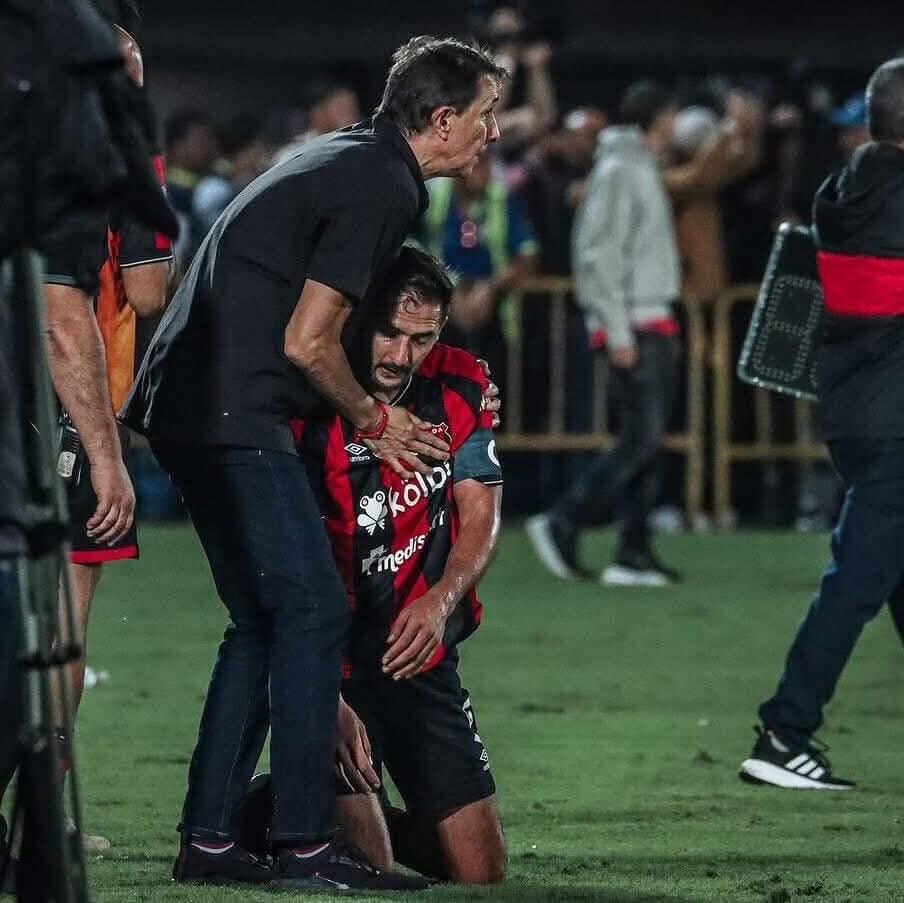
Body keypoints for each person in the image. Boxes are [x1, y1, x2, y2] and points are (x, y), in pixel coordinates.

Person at [121, 35, 506, 890]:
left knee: (265, 619)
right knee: (311, 608)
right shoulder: (384, 182)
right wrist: (376, 420)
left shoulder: (351, 154)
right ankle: (302, 842)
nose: (494, 133)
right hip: (235, 406)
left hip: (191, 400)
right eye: (487, 115)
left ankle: (211, 840)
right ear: (443, 119)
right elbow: (307, 341)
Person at [239, 246, 506, 885]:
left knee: (481, 873)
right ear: (359, 318)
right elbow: (272, 563)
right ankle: (262, 812)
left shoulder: (462, 385)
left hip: (421, 657)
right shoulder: (307, 406)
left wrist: (441, 600)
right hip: (335, 663)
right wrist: (319, 694)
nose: (401, 355)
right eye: (389, 332)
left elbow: (481, 513)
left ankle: (296, 804)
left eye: (422, 338)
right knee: (371, 867)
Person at [739, 58, 904, 790]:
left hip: (856, 416)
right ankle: (786, 730)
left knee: (886, 572)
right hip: (895, 421)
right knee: (855, 580)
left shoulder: (841, 190)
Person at [45, 3, 174, 845]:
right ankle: (43, 817)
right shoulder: (116, 154)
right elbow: (149, 290)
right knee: (61, 620)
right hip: (68, 400)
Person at [526, 80, 683, 587]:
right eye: (672, 115)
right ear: (658, 118)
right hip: (634, 322)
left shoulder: (635, 168)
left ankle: (632, 551)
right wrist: (616, 331)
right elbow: (598, 256)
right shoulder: (620, 172)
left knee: (645, 441)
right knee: (642, 439)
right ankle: (564, 518)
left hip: (647, 318)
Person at [193, 114, 272, 235]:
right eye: (258, 149)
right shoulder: (214, 187)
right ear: (246, 151)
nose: (263, 156)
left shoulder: (256, 181)